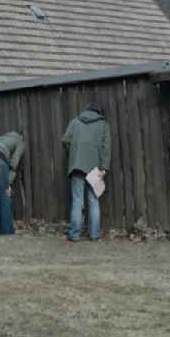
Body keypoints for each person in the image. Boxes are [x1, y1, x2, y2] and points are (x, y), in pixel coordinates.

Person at [62, 102, 111, 242]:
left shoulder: (75, 121)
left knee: (77, 201)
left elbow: (65, 140)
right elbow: (106, 148)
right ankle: (94, 235)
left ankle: (75, 235)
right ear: (99, 112)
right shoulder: (104, 124)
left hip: (76, 166)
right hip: (95, 168)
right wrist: (104, 168)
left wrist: (72, 156)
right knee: (94, 201)